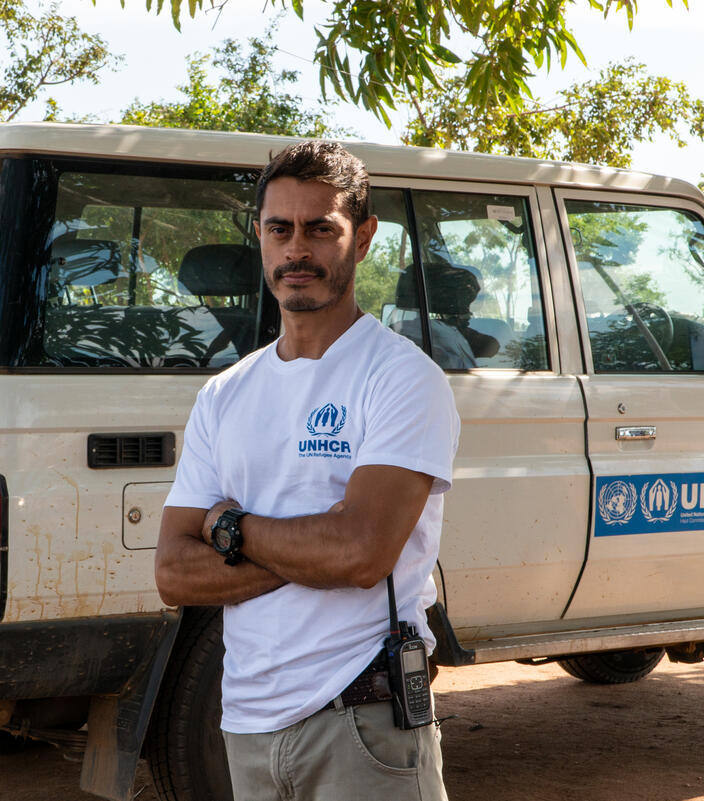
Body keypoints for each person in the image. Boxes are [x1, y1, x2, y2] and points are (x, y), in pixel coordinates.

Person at [156, 140, 461, 801]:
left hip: (364, 719)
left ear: (364, 237)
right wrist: (317, 546)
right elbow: (174, 573)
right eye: (280, 229)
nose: (297, 249)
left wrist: (228, 528)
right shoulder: (224, 393)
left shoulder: (401, 379)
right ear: (260, 237)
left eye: (321, 229)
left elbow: (360, 553)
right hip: (245, 727)